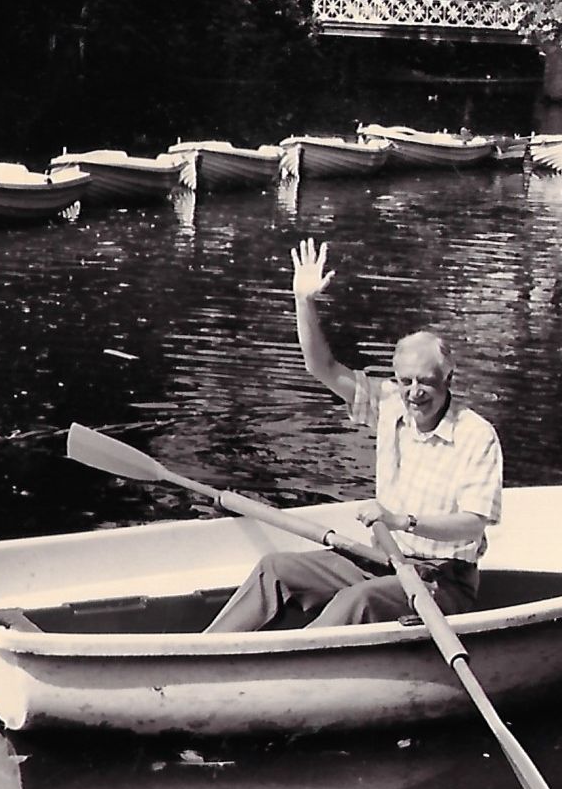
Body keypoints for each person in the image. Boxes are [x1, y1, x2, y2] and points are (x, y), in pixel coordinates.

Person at [203, 237, 502, 632]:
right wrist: (303, 301)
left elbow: (472, 524)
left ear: (448, 378)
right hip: (382, 561)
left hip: (442, 581)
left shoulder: (476, 435)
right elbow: (321, 366)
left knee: (356, 600)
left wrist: (401, 520)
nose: (415, 392)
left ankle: (283, 672)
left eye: (426, 382)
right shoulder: (391, 403)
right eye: (405, 380)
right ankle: (201, 655)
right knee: (276, 569)